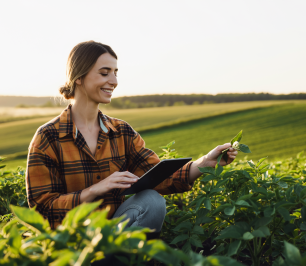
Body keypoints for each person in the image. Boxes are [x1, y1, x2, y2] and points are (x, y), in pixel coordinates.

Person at [25, 40, 238, 235]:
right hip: (68, 241)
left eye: (116, 72)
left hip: (114, 237)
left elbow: (157, 176)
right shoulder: (48, 137)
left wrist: (204, 163)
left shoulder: (122, 132)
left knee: (152, 201)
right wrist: (92, 191)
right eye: (105, 73)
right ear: (79, 77)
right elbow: (41, 209)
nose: (114, 81)